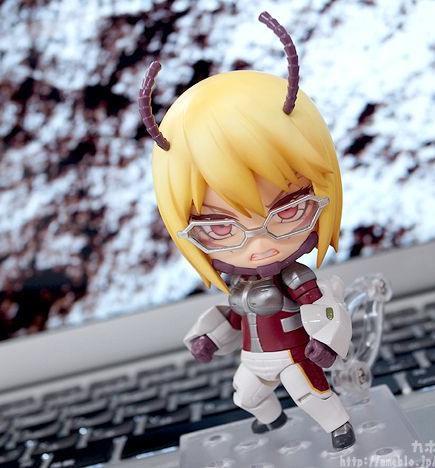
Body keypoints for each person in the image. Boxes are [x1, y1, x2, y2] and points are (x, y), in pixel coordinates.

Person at [139, 11, 355, 451]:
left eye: (289, 212)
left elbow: (324, 308)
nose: (259, 245)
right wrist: (205, 338)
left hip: (294, 353)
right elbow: (234, 317)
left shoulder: (297, 279)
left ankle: (339, 427)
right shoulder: (240, 287)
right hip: (254, 357)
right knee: (246, 395)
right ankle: (272, 422)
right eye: (221, 228)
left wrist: (327, 343)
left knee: (310, 393)